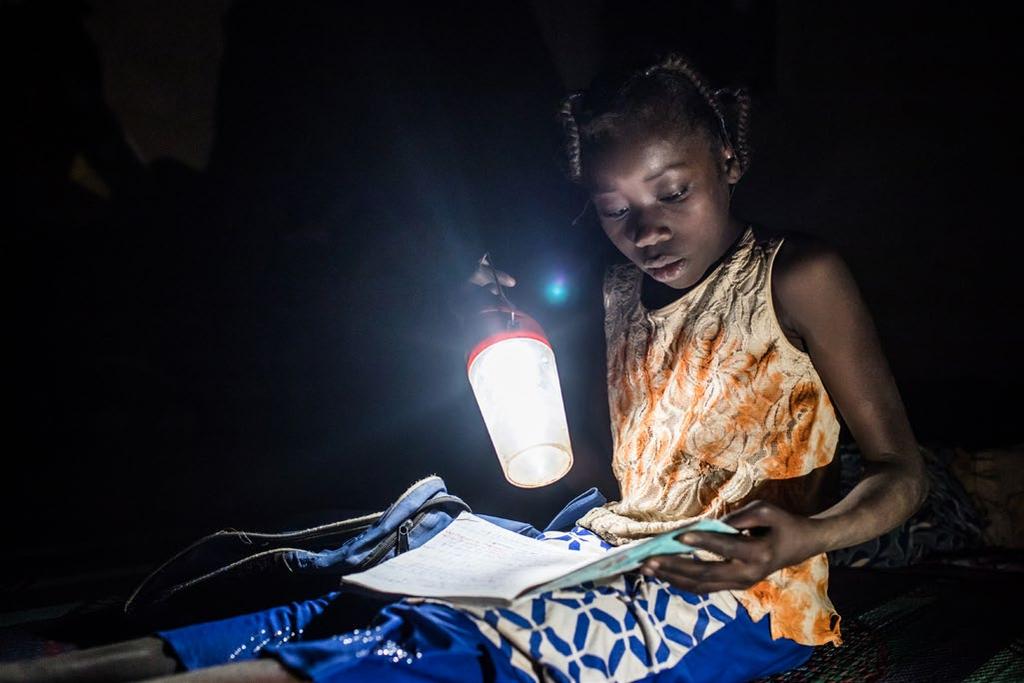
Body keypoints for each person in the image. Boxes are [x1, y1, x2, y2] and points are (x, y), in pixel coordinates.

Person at [1, 52, 928, 683]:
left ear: (727, 156)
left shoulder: (797, 275)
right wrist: (499, 317)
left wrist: (801, 540)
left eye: (672, 193)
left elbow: (902, 473)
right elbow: (558, 432)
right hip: (606, 541)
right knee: (361, 567)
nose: (646, 228)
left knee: (456, 646)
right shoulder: (616, 289)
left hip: (746, 595)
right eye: (614, 208)